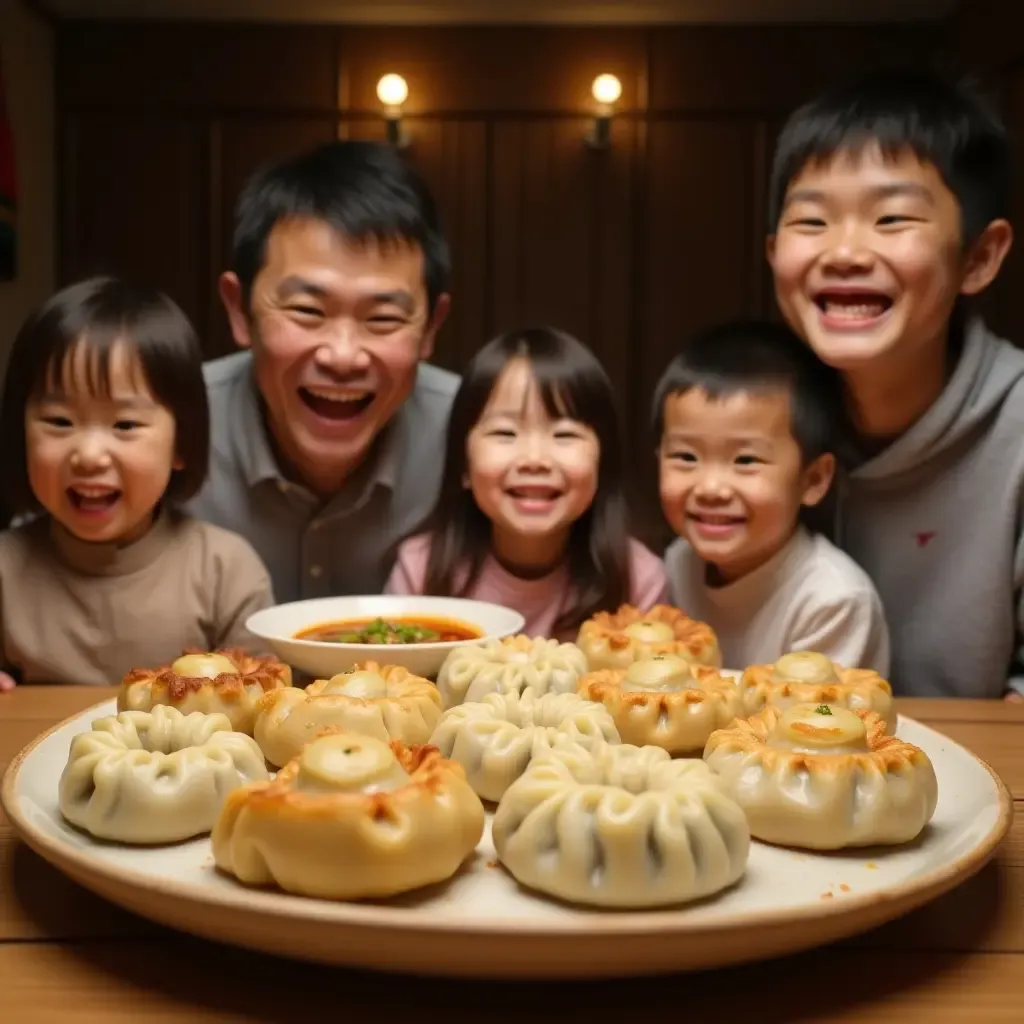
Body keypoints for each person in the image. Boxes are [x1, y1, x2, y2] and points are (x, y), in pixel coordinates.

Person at [767, 67, 1024, 700]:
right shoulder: (762, 418)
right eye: (812, 222)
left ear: (979, 257)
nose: (846, 251)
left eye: (892, 219)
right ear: (774, 253)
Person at [184, 140, 458, 604]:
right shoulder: (168, 424)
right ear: (238, 309)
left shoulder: (481, 435)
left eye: (383, 318)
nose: (343, 356)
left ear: (430, 326)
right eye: (307, 310)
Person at [0, 277, 273, 690]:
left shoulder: (224, 572)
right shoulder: (6, 571)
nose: (89, 454)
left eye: (125, 424)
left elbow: (263, 702)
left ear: (181, 442)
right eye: (59, 421)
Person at [385, 326, 668, 641]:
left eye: (565, 435)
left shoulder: (637, 579)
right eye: (505, 433)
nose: (534, 458)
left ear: (603, 463)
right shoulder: (422, 570)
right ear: (463, 464)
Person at [655, 319, 889, 673]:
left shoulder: (831, 602)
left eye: (746, 460)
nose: (711, 488)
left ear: (812, 480)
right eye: (686, 457)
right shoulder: (678, 564)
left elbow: (825, 715)